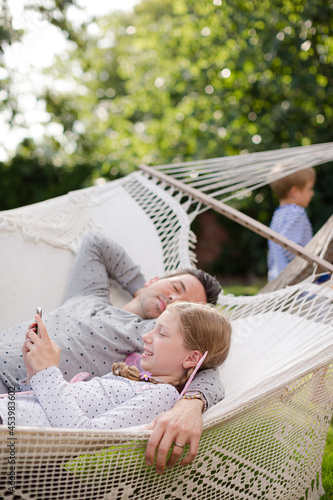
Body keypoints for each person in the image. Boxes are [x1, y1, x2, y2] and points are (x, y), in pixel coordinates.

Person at [0, 230, 223, 473]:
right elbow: (95, 241)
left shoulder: (153, 339)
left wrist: (190, 406)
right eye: (175, 288)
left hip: (14, 401)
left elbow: (206, 364)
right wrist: (140, 289)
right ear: (154, 279)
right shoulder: (89, 295)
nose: (172, 299)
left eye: (185, 307)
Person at [0, 302, 231, 473]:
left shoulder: (162, 396)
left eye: (161, 333)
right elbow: (60, 405)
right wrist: (34, 371)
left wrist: (47, 372)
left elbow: (85, 439)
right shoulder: (136, 379)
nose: (147, 336)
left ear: (191, 359)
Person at [267, 168, 316, 281]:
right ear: (295, 192)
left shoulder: (278, 214)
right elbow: (288, 248)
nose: (312, 193)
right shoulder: (297, 212)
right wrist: (309, 269)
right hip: (295, 281)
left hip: (277, 277)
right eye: (309, 189)